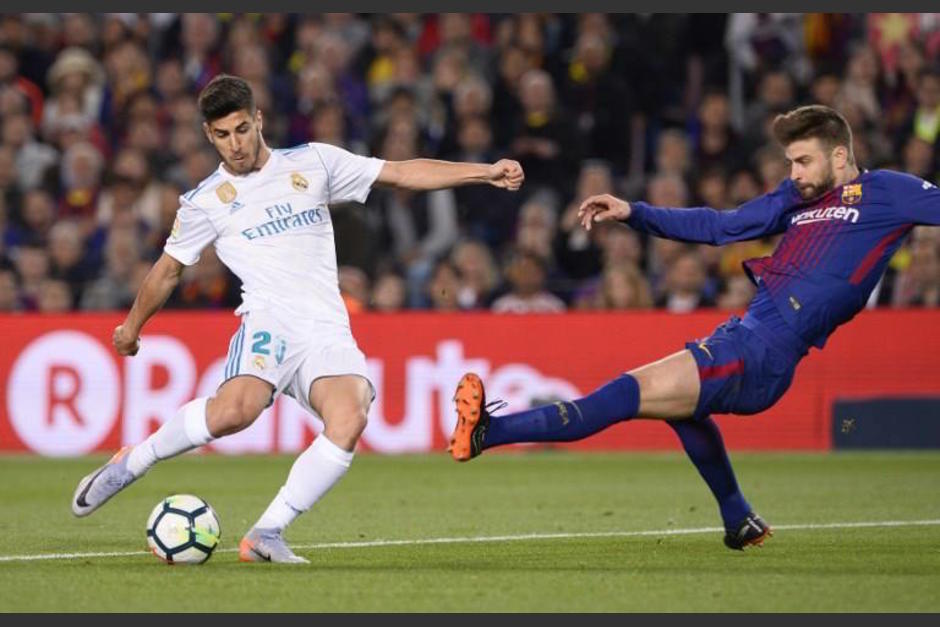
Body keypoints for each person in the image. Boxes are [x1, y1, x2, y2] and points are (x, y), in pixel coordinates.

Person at [71, 74, 524, 563]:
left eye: (242, 129)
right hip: (269, 322)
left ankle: (266, 533)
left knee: (349, 418)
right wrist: (131, 329)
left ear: (259, 119)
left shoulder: (315, 162)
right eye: (222, 135)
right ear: (208, 135)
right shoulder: (205, 201)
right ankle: (132, 462)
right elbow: (167, 272)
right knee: (234, 413)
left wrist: (483, 172)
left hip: (326, 328)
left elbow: (401, 172)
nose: (235, 144)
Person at [448, 104, 940, 550]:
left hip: (764, 355)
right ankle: (738, 516)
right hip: (744, 335)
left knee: (623, 394)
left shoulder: (889, 192)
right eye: (790, 161)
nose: (794, 173)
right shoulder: (796, 196)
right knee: (682, 411)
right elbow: (720, 227)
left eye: (803, 161)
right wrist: (634, 212)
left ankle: (487, 434)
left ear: (839, 155)